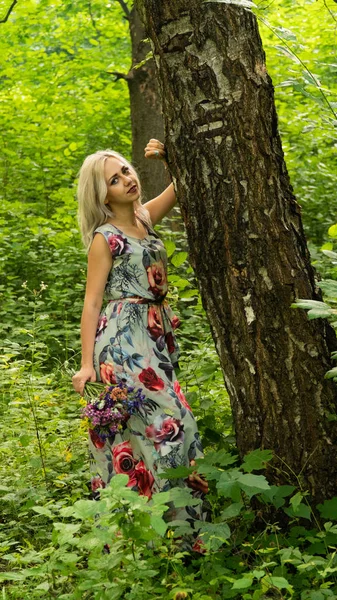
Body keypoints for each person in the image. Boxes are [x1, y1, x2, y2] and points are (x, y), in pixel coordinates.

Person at [72, 139, 208, 543]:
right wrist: (86, 364)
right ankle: (163, 537)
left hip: (153, 336)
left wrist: (169, 157)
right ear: (103, 195)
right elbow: (92, 302)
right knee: (173, 423)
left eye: (126, 172)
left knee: (154, 431)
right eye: (114, 180)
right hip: (121, 340)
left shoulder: (145, 219)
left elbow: (183, 184)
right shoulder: (105, 238)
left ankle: (175, 538)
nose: (126, 181)